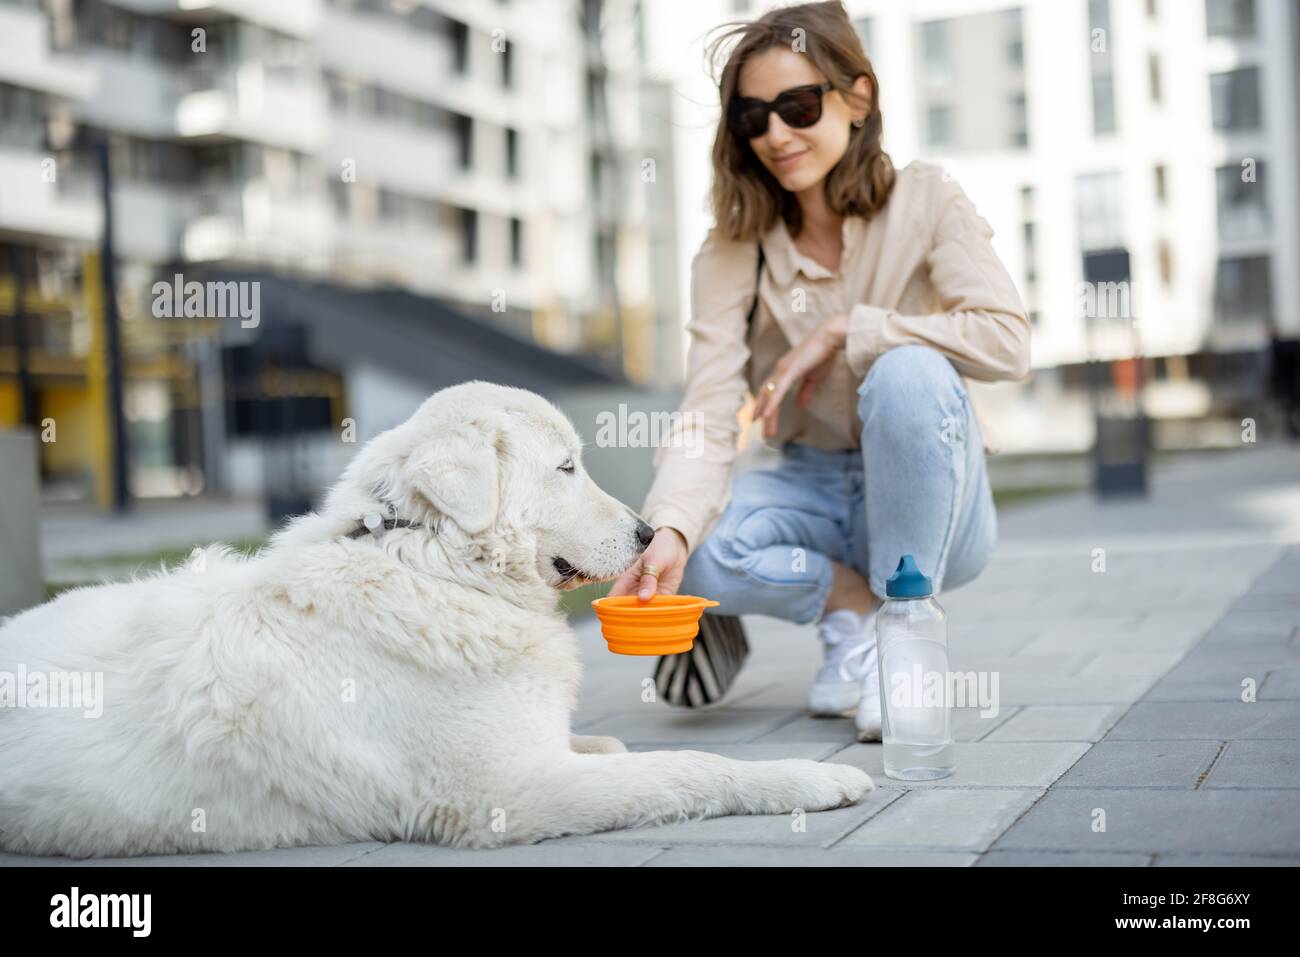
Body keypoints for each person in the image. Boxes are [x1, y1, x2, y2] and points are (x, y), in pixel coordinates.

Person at [609, 0, 1031, 741]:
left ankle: (903, 638)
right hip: (807, 482)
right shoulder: (733, 248)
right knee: (681, 543)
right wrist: (670, 529)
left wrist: (851, 330)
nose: (776, 134)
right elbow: (709, 408)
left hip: (934, 494)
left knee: (904, 372)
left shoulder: (927, 197)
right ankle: (850, 613)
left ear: (857, 98)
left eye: (798, 106)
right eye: (753, 116)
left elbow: (1006, 341)